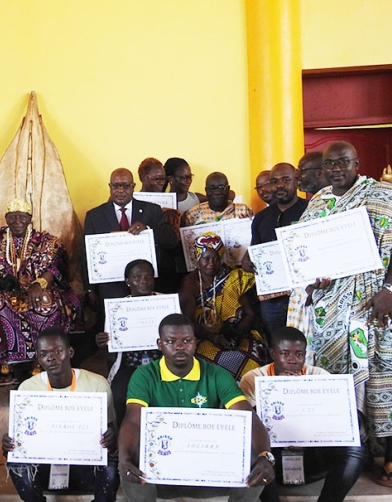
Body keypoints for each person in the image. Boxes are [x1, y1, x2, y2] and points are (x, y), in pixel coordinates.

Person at [287, 141, 392, 487]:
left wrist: (389, 290)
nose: (336, 169)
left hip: (377, 307)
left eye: (343, 162)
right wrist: (312, 280)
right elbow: (306, 254)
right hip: (331, 315)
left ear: (357, 163)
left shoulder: (386, 196)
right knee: (335, 384)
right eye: (330, 164)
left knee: (387, 376)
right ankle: (346, 456)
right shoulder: (317, 205)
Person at [118, 314, 274, 502]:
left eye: (187, 341)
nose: (180, 347)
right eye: (171, 341)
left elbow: (248, 418)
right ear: (160, 344)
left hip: (212, 474)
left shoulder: (216, 374)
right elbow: (133, 421)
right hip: (161, 475)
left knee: (256, 458)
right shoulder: (146, 375)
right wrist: (124, 458)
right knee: (129, 460)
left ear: (195, 342)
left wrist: (265, 455)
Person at [239, 327, 366, 502]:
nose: (292, 360)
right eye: (285, 354)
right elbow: (250, 423)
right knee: (246, 444)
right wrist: (280, 389)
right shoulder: (253, 379)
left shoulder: (319, 376)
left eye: (299, 354)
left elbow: (336, 419)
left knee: (356, 447)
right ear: (273, 353)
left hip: (312, 458)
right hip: (273, 462)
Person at [2, 328, 119, 502]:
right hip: (46, 470)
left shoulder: (97, 384)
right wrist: (9, 444)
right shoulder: (27, 388)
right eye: (44, 354)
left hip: (85, 468)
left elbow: (112, 436)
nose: (51, 358)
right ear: (38, 359)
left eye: (58, 351)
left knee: (112, 462)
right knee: (15, 461)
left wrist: (111, 440)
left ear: (70, 352)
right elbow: (21, 437)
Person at [0, 198, 80, 385]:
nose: (17, 220)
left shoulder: (44, 240)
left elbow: (55, 267)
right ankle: (5, 364)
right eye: (13, 217)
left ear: (29, 218)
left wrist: (38, 284)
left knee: (46, 306)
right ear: (6, 219)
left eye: (22, 217)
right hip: (6, 290)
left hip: (37, 288)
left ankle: (39, 362)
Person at [179, 233, 268, 380]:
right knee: (206, 363)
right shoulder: (189, 283)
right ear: (198, 259)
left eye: (216, 258)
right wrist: (214, 337)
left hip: (236, 334)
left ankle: (249, 399)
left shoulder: (233, 278)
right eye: (206, 259)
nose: (211, 263)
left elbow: (249, 313)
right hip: (205, 337)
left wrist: (236, 333)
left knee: (254, 359)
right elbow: (187, 322)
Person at [84, 168, 179, 303]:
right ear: (110, 187)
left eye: (126, 186)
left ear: (133, 187)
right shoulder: (94, 216)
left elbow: (171, 241)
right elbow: (86, 255)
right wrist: (89, 289)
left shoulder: (152, 210)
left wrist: (148, 229)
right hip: (112, 285)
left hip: (146, 284)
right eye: (116, 185)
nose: (121, 190)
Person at [241, 163, 308, 336]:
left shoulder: (310, 211)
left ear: (297, 181)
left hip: (305, 296)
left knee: (307, 345)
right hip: (272, 299)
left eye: (285, 180)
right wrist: (246, 260)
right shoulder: (261, 218)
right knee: (276, 343)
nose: (279, 185)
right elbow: (254, 249)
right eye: (274, 181)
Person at [95, 259, 164, 424]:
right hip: (128, 366)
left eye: (148, 277)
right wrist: (103, 345)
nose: (144, 281)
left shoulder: (166, 303)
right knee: (119, 396)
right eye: (137, 277)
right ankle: (121, 440)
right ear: (128, 281)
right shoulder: (117, 309)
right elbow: (110, 354)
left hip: (162, 364)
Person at [181, 172, 253, 227]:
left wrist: (248, 225)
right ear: (206, 190)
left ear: (228, 189)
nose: (217, 192)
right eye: (212, 188)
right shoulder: (192, 215)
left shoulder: (243, 211)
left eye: (221, 187)